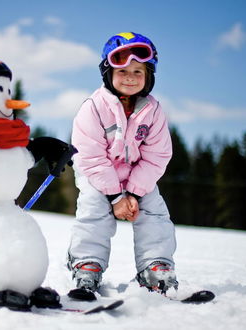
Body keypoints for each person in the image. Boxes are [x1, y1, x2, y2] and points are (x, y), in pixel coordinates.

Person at [67, 32, 178, 294]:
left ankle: (156, 267)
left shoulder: (153, 111)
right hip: (98, 175)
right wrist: (116, 197)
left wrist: (136, 192)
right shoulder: (93, 107)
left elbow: (157, 155)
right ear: (108, 72)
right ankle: (87, 265)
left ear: (149, 76)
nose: (130, 77)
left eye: (138, 72)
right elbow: (91, 157)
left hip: (137, 176)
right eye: (123, 70)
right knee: (94, 208)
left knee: (154, 211)